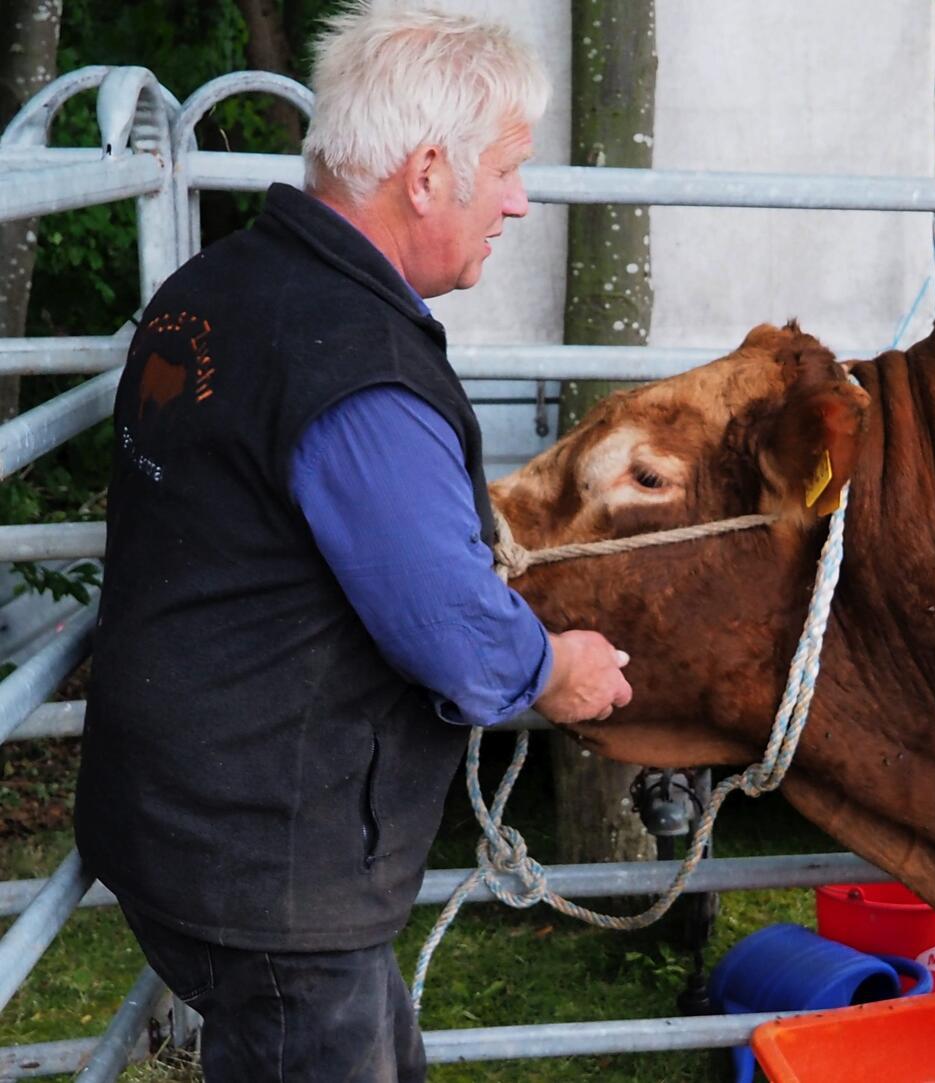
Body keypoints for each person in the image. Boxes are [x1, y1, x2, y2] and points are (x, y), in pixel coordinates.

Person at [73, 5, 632, 1081]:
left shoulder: (215, 288)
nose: (519, 199)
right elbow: (457, 637)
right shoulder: (357, 370)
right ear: (427, 174)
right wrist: (558, 670)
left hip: (175, 811)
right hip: (267, 861)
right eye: (509, 169)